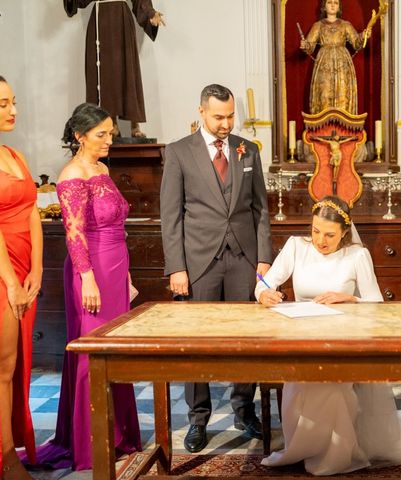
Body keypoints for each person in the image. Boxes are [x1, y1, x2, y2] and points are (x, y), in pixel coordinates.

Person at [257, 196, 401, 476]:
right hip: (301, 335)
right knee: (301, 383)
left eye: (329, 234)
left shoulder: (356, 255)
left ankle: (335, 454)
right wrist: (263, 293)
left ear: (344, 232)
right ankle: (301, 447)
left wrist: (350, 298)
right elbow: (265, 283)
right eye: (316, 231)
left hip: (343, 339)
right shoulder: (296, 247)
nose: (320, 240)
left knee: (329, 387)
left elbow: (376, 302)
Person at [160, 83, 272, 453]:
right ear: (202, 112)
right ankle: (198, 419)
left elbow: (260, 210)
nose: (226, 124)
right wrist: (177, 267)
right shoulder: (178, 153)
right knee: (196, 343)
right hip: (198, 262)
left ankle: (244, 408)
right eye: (219, 116)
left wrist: (264, 259)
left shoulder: (248, 150)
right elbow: (171, 216)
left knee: (248, 340)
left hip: (243, 258)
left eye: (230, 116)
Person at [31, 103, 141, 470]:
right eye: (101, 134)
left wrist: (126, 276)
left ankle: (120, 433)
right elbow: (74, 234)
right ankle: (90, 440)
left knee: (116, 350)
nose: (110, 140)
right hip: (90, 271)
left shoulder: (103, 169)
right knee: (94, 353)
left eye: (111, 133)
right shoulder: (71, 175)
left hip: (115, 267)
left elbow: (117, 227)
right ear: (79, 136)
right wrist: (87, 278)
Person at [0, 75, 42, 479]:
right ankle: (5, 457)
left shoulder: (15, 155)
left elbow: (31, 211)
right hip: (2, 273)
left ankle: (14, 443)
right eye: (2, 104)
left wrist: (38, 270)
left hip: (26, 271)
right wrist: (11, 281)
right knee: (4, 365)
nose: (13, 111)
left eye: (13, 102)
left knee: (20, 364)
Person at [64, 0, 165, 138]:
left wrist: (150, 14)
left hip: (121, 21)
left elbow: (140, 1)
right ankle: (110, 123)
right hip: (100, 22)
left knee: (127, 70)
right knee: (105, 74)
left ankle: (134, 124)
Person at [300, 0, 371, 114]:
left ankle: (344, 127)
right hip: (324, 64)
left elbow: (357, 43)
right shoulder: (318, 26)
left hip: (342, 64)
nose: (333, 5)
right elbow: (310, 47)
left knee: (343, 92)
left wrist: (363, 36)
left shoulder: (346, 25)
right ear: (324, 6)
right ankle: (322, 128)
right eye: (329, 2)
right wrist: (305, 45)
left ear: (339, 7)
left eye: (336, 3)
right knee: (324, 93)